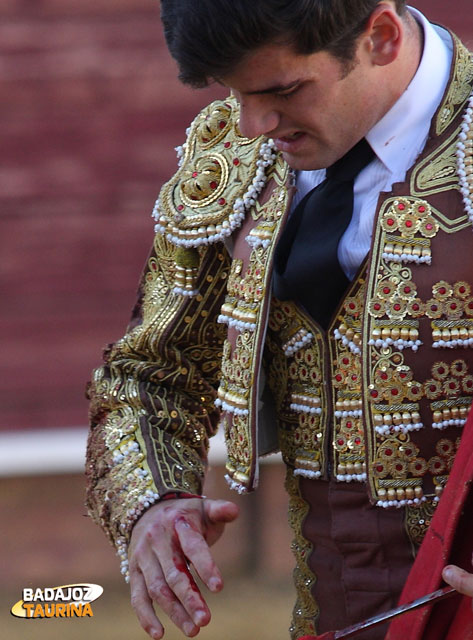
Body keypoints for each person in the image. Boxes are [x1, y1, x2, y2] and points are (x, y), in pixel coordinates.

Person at [85, 1, 473, 639]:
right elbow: (147, 376)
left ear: (379, 35)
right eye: (236, 94)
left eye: (285, 90)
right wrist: (152, 502)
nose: (255, 124)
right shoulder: (233, 153)